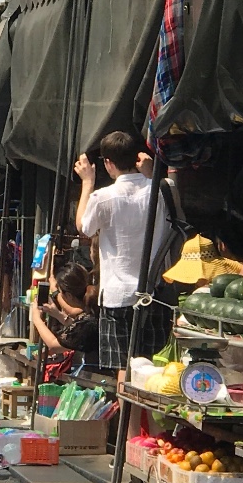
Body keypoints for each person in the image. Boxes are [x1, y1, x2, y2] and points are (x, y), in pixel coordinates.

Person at [75, 131, 168, 382]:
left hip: (118, 295)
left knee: (124, 369)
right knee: (152, 369)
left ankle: (128, 423)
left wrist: (87, 183)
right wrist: (150, 173)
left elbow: (84, 226)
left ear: (108, 163)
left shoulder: (102, 197)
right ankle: (148, 423)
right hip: (153, 292)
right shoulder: (160, 190)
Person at [29, 263, 97, 385]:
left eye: (59, 293)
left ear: (69, 295)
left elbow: (54, 345)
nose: (58, 296)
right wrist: (57, 314)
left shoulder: (89, 320)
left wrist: (37, 319)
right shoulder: (91, 312)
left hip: (95, 380)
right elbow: (76, 328)